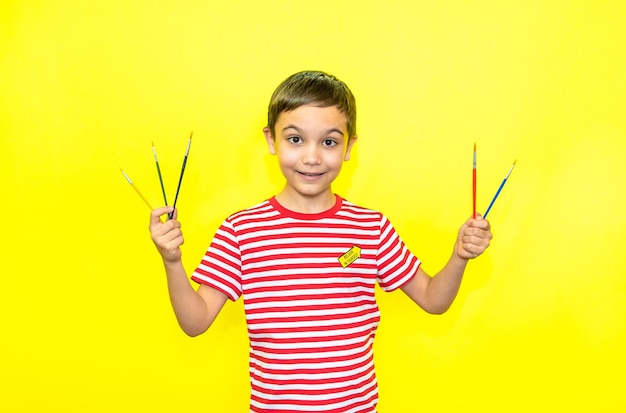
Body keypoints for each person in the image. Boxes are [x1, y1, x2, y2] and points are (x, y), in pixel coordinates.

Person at [149, 70, 492, 412]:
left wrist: (459, 256)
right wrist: (172, 261)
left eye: (329, 142)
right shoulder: (241, 230)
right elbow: (195, 323)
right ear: (271, 140)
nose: (312, 157)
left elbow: (434, 300)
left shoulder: (370, 228)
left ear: (348, 146)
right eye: (295, 139)